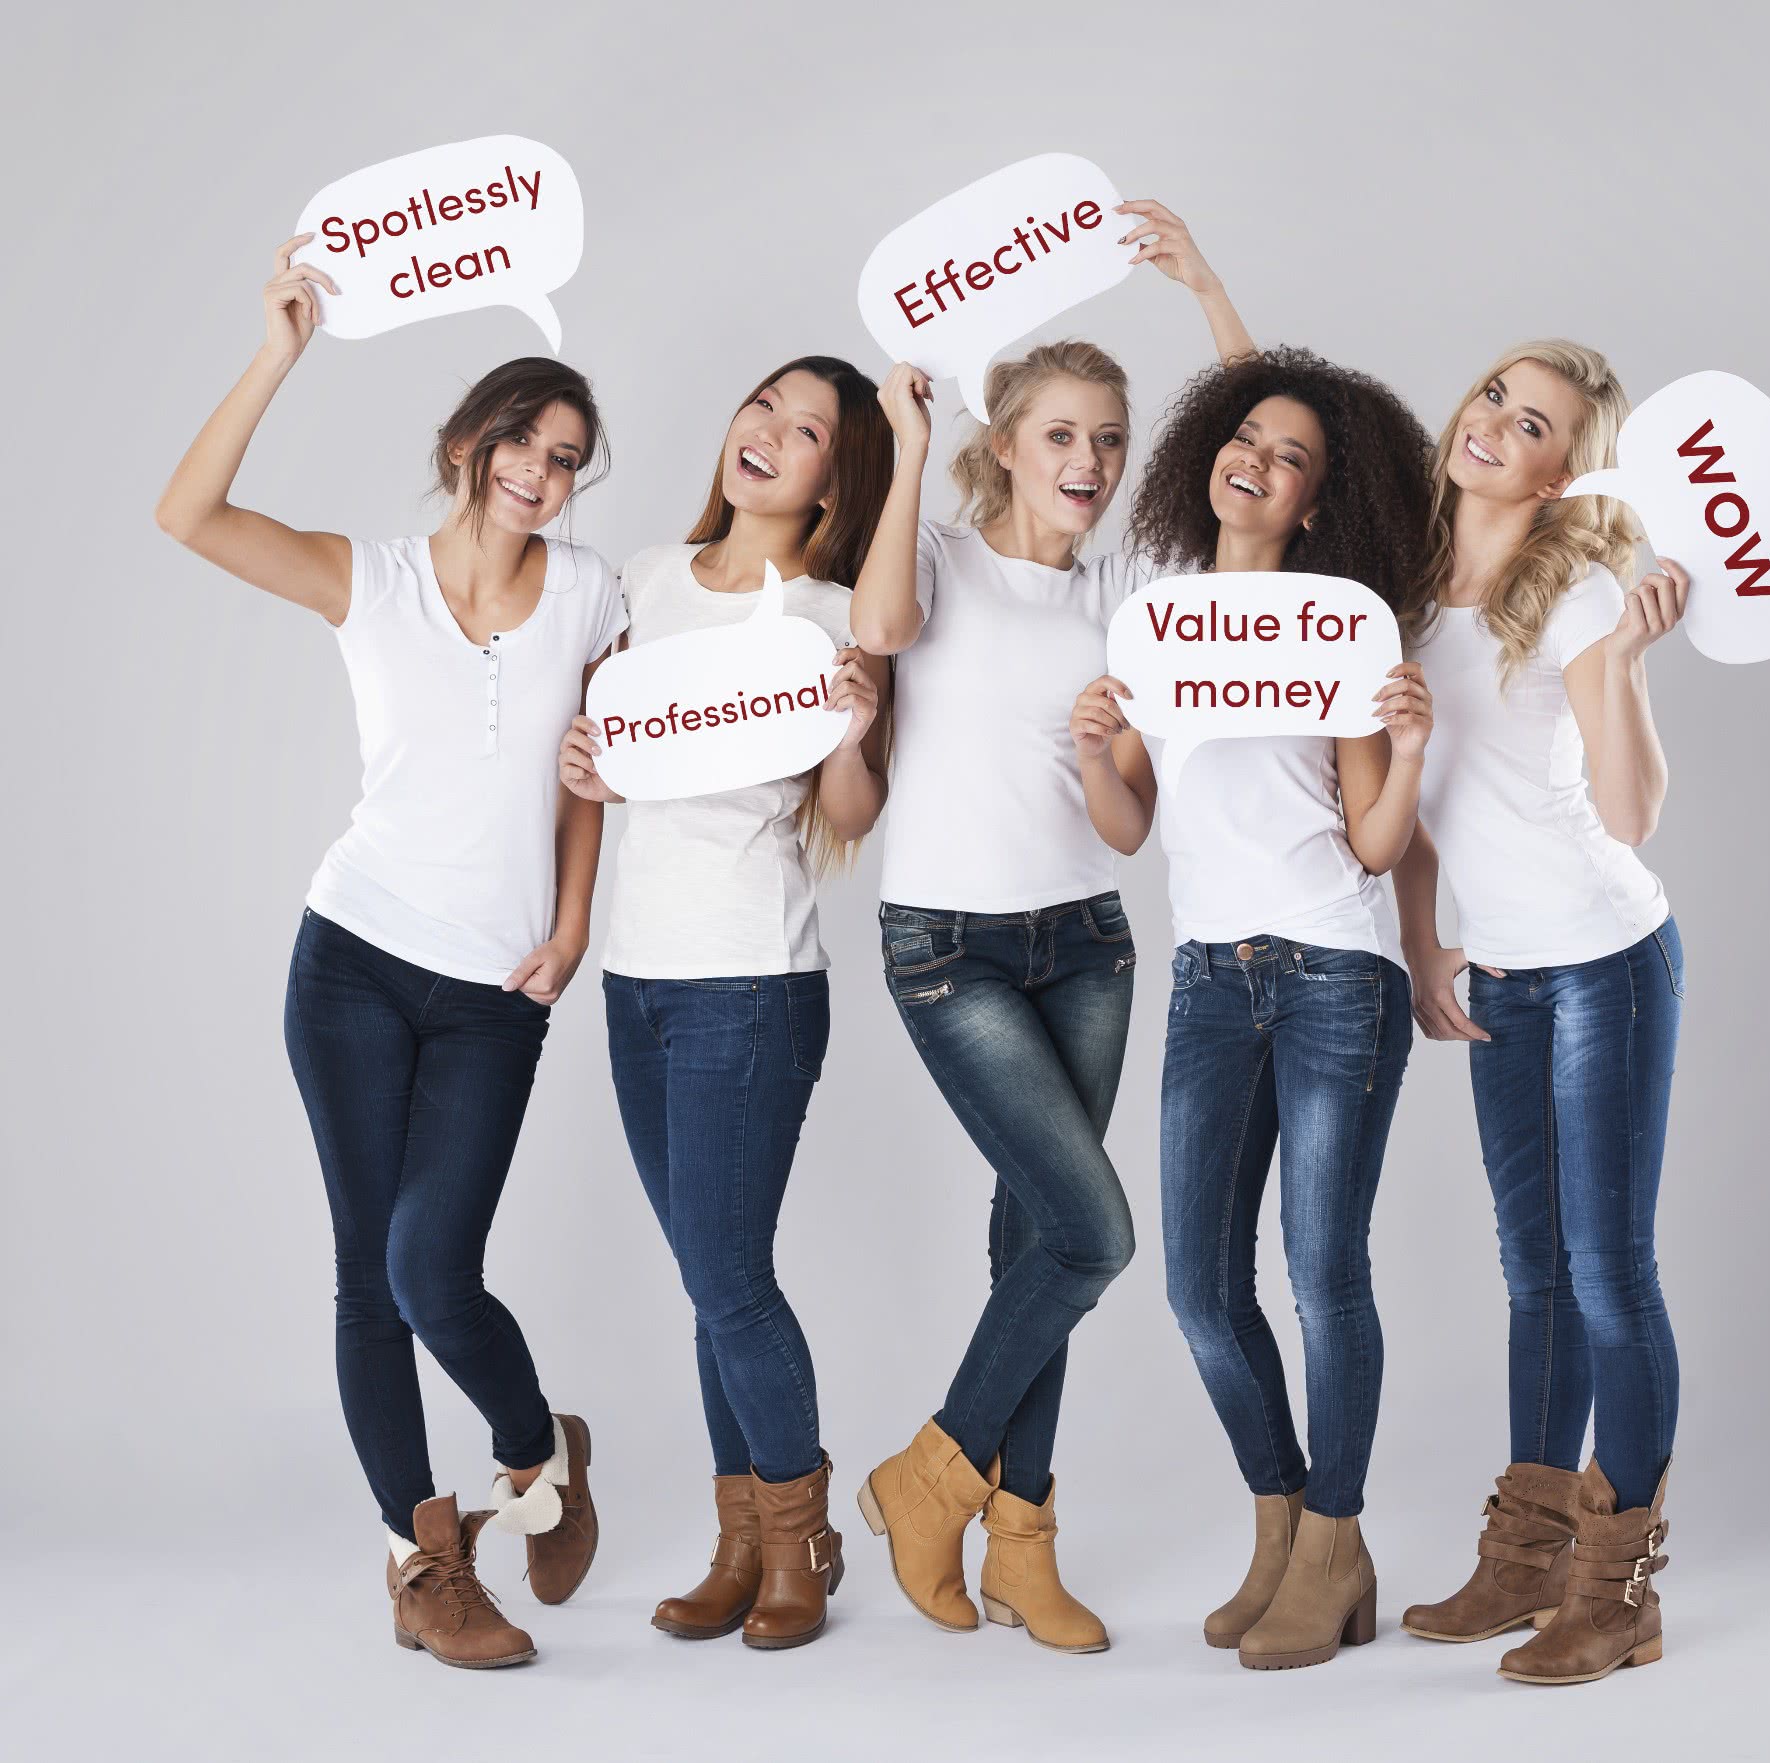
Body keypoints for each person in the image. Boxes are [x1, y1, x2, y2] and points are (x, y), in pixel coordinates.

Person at [156, 237, 622, 1669]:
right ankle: (426, 1566)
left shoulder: (592, 594)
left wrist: (573, 925)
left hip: (495, 991)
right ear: (470, 441)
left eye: (567, 459)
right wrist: (279, 352)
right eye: (524, 443)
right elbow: (187, 514)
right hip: (352, 959)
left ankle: (538, 1450)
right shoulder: (371, 579)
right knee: (369, 1275)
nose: (540, 473)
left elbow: (588, 778)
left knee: (435, 1268)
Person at [848, 203, 1251, 1654]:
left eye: (1110, 441)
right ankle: (926, 1480)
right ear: (1007, 442)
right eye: (1062, 435)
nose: (1090, 462)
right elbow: (878, 631)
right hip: (947, 948)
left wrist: (1206, 290)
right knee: (1094, 1234)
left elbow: (1259, 474)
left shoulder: (1125, 593)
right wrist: (905, 444)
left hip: (1085, 942)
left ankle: (1021, 1544)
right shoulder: (937, 557)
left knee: (1035, 1241)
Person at [1075, 347, 1433, 1670]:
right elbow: (1128, 825)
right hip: (1210, 981)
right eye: (1247, 439)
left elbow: (1376, 844)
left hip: (1336, 970)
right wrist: (1091, 746)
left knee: (1325, 1275)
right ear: (1209, 457)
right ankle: (1285, 1525)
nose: (1259, 463)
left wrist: (1411, 748)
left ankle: (1335, 1542)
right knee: (1201, 1287)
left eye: (1294, 459)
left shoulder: (1339, 627)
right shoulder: (1159, 622)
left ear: (1315, 502)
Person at [560, 357, 894, 1650]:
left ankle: (801, 1544)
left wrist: (854, 731)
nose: (768, 433)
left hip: (751, 979)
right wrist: (587, 760)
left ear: (834, 481)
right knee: (710, 1282)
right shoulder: (645, 579)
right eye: (764, 405)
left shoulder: (831, 614)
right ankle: (740, 1545)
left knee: (729, 1276)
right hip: (636, 977)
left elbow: (851, 813)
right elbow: (613, 752)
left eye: (806, 431)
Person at [1391, 341, 1687, 1685]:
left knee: (1609, 1274)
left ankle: (1617, 1593)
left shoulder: (1577, 595)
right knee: (1536, 1277)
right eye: (1494, 399)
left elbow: (1631, 816)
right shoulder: (1405, 589)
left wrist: (1623, 662)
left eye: (1533, 425)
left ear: (1564, 472)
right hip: (1504, 971)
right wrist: (1424, 949)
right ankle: (1524, 1564)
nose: (1494, 425)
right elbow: (1412, 809)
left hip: (1604, 959)